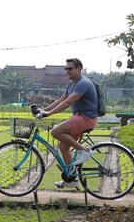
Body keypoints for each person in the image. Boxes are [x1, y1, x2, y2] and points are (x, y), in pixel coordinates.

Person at [38, 58, 97, 188]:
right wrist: (43, 110)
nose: (67, 71)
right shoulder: (71, 83)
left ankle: (84, 150)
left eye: (70, 68)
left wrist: (49, 114)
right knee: (63, 147)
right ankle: (71, 179)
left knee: (55, 131)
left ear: (79, 69)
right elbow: (61, 100)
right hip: (79, 117)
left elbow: (68, 102)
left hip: (86, 118)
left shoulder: (83, 83)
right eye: (66, 69)